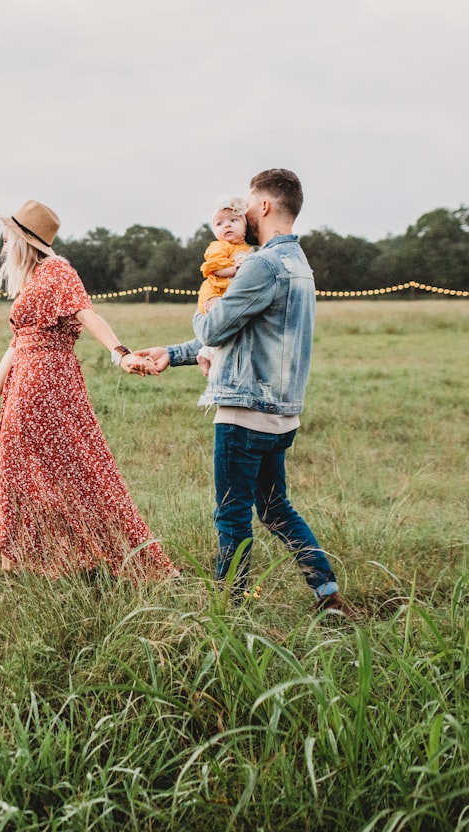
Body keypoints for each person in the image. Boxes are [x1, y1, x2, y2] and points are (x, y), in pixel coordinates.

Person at [135, 170, 361, 619]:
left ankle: (227, 611)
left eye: (247, 204)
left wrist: (205, 308)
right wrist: (173, 353)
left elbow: (216, 327)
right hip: (281, 415)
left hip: (244, 413)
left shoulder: (261, 264)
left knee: (231, 516)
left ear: (264, 207)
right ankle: (328, 595)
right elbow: (244, 335)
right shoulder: (299, 265)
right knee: (276, 509)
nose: (241, 213)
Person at [0, 199, 178, 580]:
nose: (2, 240)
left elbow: (87, 312)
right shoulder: (31, 279)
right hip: (26, 380)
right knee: (24, 468)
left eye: (7, 234)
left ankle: (90, 555)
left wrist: (120, 354)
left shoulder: (56, 270)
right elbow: (16, 346)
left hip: (46, 382)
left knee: (76, 469)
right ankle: (30, 560)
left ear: (23, 239)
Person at [196, 195, 252, 372]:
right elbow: (215, 268)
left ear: (245, 225)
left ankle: (204, 353)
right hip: (214, 292)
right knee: (220, 319)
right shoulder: (219, 246)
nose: (226, 225)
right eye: (219, 224)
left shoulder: (247, 249)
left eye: (233, 220)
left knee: (229, 323)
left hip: (227, 293)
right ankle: (211, 355)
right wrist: (234, 269)